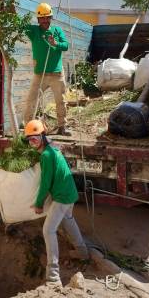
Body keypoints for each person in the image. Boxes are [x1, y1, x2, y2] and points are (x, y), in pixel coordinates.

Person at [24, 119, 88, 285]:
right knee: (68, 220)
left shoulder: (46, 155)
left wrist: (38, 204)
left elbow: (46, 183)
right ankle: (83, 253)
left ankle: (53, 276)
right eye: (29, 139)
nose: (32, 142)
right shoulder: (53, 149)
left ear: (43, 136)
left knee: (48, 230)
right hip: (70, 193)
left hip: (62, 197)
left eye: (35, 138)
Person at [24, 2, 71, 136]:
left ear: (51, 18)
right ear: (38, 19)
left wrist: (55, 43)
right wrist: (11, 10)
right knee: (31, 101)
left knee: (60, 101)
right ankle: (29, 128)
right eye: (42, 18)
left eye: (47, 17)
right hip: (40, 75)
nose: (45, 20)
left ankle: (62, 127)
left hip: (57, 73)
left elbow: (66, 45)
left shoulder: (57, 30)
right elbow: (20, 25)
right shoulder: (34, 31)